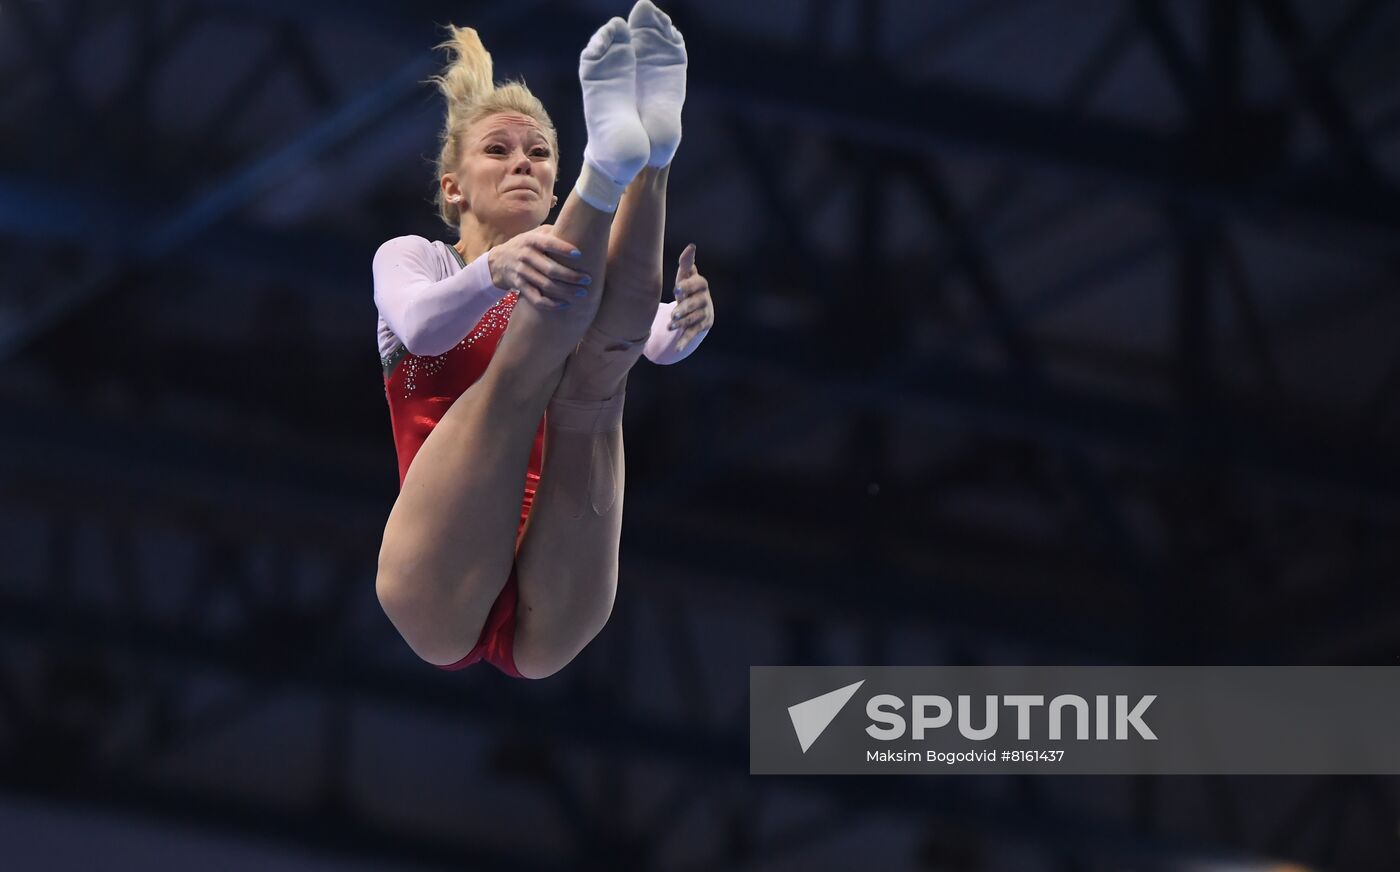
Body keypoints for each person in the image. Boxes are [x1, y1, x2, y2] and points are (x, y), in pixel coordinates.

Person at [373, 2, 715, 679]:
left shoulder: (574, 278)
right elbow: (419, 325)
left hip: (553, 593)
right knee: (526, 365)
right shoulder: (416, 257)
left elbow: (648, 338)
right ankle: (611, 166)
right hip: (437, 574)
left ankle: (650, 157)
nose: (521, 164)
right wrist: (492, 271)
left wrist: (684, 324)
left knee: (601, 373)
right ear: (454, 187)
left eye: (538, 153)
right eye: (497, 152)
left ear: (554, 182)